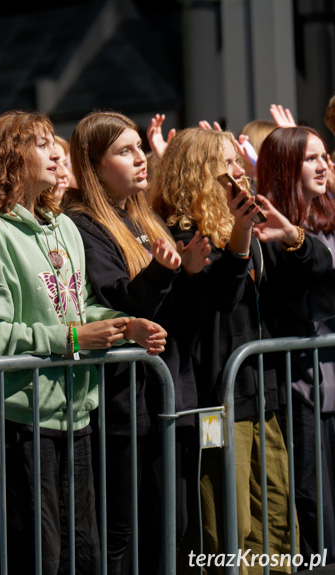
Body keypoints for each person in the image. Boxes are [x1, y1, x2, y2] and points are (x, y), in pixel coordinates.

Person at [0, 110, 166, 575]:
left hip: (76, 408)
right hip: (18, 416)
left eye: (55, 141)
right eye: (40, 144)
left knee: (83, 552)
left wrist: (124, 323)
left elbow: (82, 305)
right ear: (10, 159)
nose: (56, 151)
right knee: (38, 553)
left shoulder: (62, 225)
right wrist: (73, 339)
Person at [151, 127, 332, 574]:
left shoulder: (247, 224)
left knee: (276, 517)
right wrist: (238, 235)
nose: (238, 171)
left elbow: (322, 272)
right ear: (198, 170)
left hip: (265, 396)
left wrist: (292, 236)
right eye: (226, 162)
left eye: (237, 161)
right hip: (215, 404)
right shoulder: (182, 232)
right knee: (227, 523)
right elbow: (220, 298)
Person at [62, 111, 212, 575]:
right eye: (124, 151)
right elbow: (117, 302)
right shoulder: (84, 223)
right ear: (94, 164)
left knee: (175, 522)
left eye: (139, 148)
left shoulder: (145, 215)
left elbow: (186, 311)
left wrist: (191, 272)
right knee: (123, 531)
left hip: (167, 396)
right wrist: (163, 273)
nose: (141, 159)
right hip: (123, 404)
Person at [258, 126, 335, 566]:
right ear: (288, 167)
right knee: (312, 510)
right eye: (311, 159)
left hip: (326, 386)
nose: (323, 166)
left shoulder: (319, 222)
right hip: (298, 391)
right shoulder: (269, 234)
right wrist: (292, 240)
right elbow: (311, 293)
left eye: (325, 157)